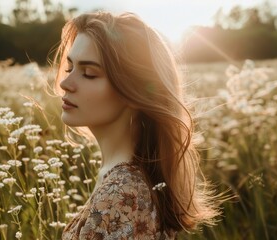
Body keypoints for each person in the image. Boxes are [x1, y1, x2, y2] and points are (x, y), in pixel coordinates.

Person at [53, 11, 221, 239]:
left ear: (132, 91)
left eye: (89, 74)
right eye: (69, 68)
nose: (65, 83)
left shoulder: (122, 195)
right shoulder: (122, 178)